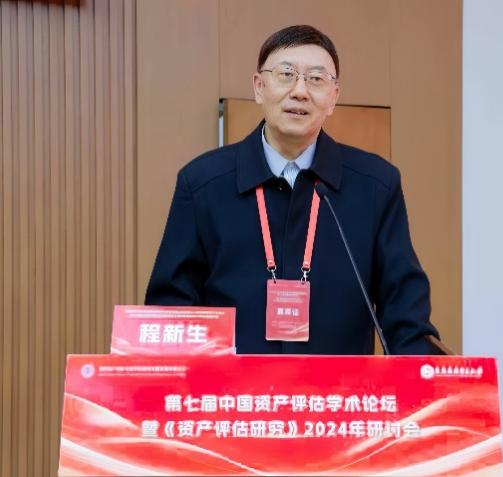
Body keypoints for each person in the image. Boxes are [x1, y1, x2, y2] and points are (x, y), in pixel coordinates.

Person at [145, 25, 440, 355]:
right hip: (234, 388)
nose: (300, 91)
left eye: (316, 79)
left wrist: (428, 371)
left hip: (337, 388)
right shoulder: (203, 183)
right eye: (286, 74)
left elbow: (405, 316)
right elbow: (172, 310)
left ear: (334, 97)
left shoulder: (375, 185)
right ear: (259, 87)